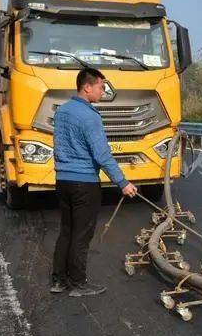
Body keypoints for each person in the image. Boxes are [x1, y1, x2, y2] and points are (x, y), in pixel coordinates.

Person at [51, 67, 138, 296]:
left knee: (67, 231)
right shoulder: (90, 116)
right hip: (84, 184)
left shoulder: (62, 112)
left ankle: (59, 280)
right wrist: (123, 183)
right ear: (87, 87)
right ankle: (78, 284)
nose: (103, 91)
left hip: (63, 181)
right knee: (82, 235)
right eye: (101, 87)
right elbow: (102, 155)